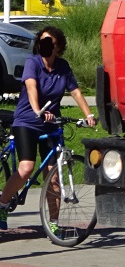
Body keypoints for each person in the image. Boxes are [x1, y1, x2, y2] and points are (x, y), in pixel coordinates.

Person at [0, 26, 96, 231]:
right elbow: (31, 86)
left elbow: (76, 92)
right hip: (27, 121)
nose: (45, 46)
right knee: (26, 168)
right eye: (42, 42)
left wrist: (88, 115)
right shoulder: (32, 63)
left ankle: (53, 223)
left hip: (51, 123)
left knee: (53, 176)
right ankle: (2, 204)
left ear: (58, 47)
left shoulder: (63, 67)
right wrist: (37, 110)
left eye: (50, 43)